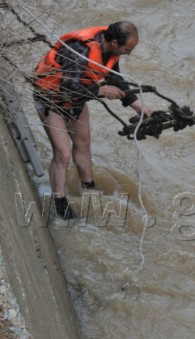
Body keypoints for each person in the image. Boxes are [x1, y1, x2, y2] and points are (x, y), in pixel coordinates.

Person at [33, 22, 153, 220]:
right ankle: (61, 205)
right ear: (114, 43)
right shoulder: (80, 51)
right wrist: (101, 91)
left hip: (76, 101)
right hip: (52, 100)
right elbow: (68, 89)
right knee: (63, 153)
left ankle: (88, 188)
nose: (129, 54)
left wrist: (139, 107)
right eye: (127, 50)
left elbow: (116, 80)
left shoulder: (111, 52)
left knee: (83, 143)